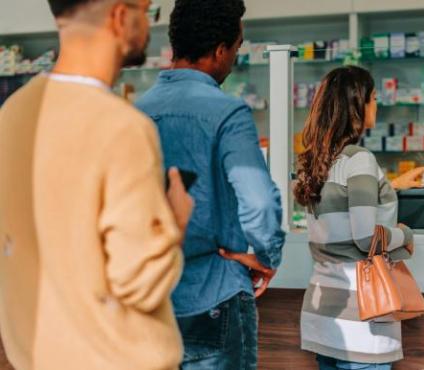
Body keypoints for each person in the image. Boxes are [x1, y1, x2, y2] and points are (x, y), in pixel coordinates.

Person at [0, 0, 194, 369]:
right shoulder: (122, 127)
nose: (150, 26)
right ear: (121, 17)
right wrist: (175, 222)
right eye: (148, 12)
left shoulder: (13, 113)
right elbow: (139, 281)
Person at [135, 0, 285, 369]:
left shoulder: (135, 112)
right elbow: (260, 203)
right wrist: (265, 257)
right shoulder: (226, 112)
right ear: (220, 51)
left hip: (151, 299)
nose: (234, 59)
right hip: (214, 296)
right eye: (235, 49)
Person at [294, 65, 417, 370]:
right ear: (358, 105)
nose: (377, 105)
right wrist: (405, 234)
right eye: (373, 98)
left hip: (324, 316)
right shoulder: (359, 159)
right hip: (360, 320)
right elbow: (365, 238)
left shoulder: (317, 161)